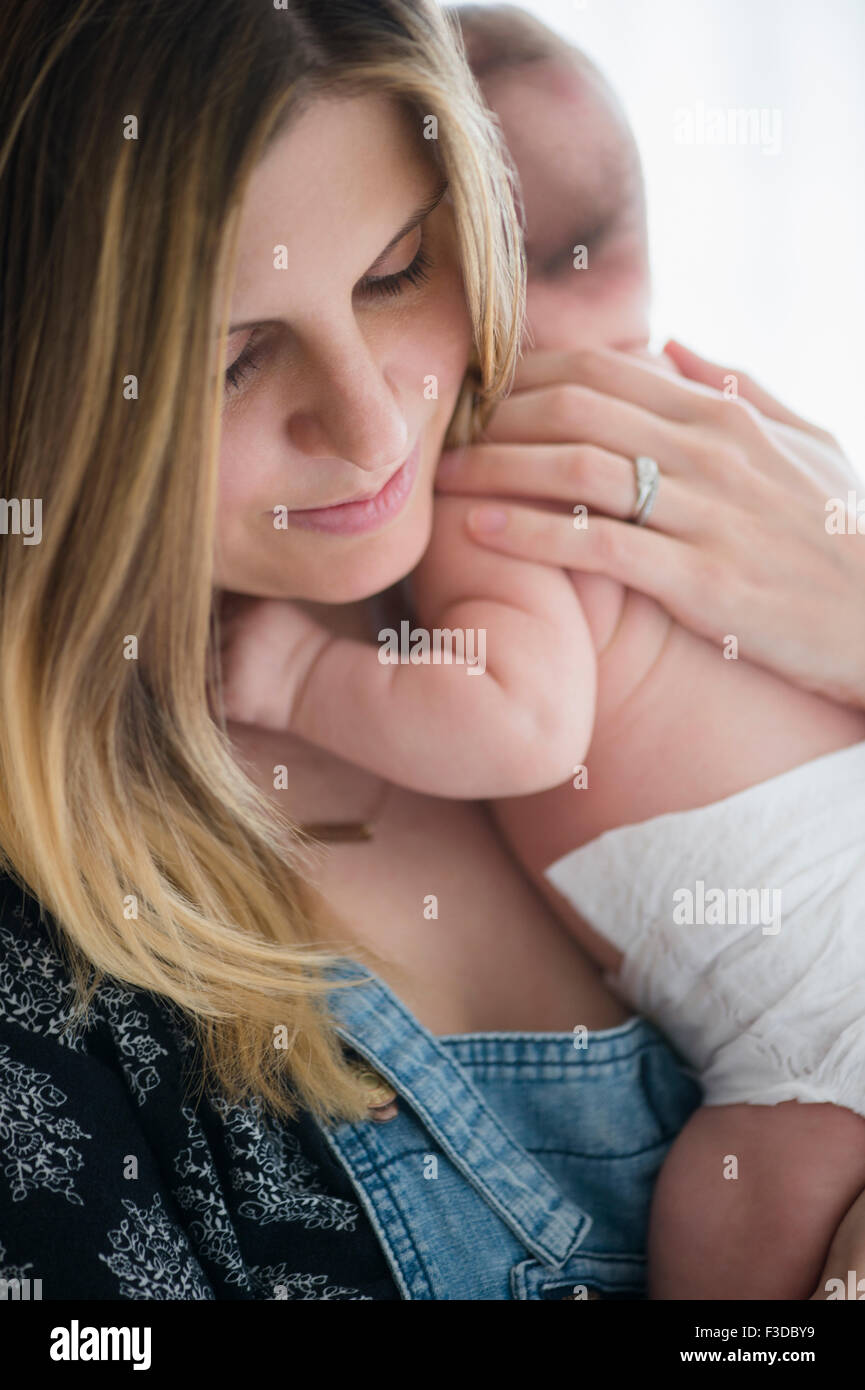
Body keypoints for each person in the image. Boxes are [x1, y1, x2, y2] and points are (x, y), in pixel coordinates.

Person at [0, 0, 862, 1303]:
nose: (371, 425)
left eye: (397, 270)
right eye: (230, 361)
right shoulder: (47, 1002)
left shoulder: (689, 505)